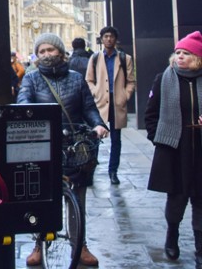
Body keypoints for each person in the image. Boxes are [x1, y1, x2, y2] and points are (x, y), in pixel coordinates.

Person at [18, 33, 108, 267]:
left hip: (73, 145)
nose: (47, 54)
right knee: (42, 197)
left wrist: (98, 124)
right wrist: (30, 118)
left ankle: (80, 245)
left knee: (77, 198)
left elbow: (88, 107)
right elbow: (23, 101)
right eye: (42, 51)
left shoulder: (76, 79)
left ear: (60, 51)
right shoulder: (32, 78)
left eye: (51, 50)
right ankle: (39, 243)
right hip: (42, 144)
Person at [145, 31, 202, 266]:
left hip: (200, 149)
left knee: (200, 200)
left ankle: (200, 250)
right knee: (176, 199)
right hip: (174, 150)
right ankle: (172, 236)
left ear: (197, 58)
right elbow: (151, 115)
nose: (179, 56)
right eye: (177, 52)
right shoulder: (163, 78)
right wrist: (160, 140)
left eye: (186, 53)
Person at [85, 26, 135, 185]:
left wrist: (125, 95)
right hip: (100, 102)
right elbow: (89, 80)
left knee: (116, 139)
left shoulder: (124, 58)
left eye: (111, 36)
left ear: (115, 39)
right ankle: (90, 170)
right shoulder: (94, 58)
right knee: (95, 137)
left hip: (117, 103)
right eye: (106, 36)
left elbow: (131, 81)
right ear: (101, 39)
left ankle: (113, 171)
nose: (108, 39)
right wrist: (95, 93)